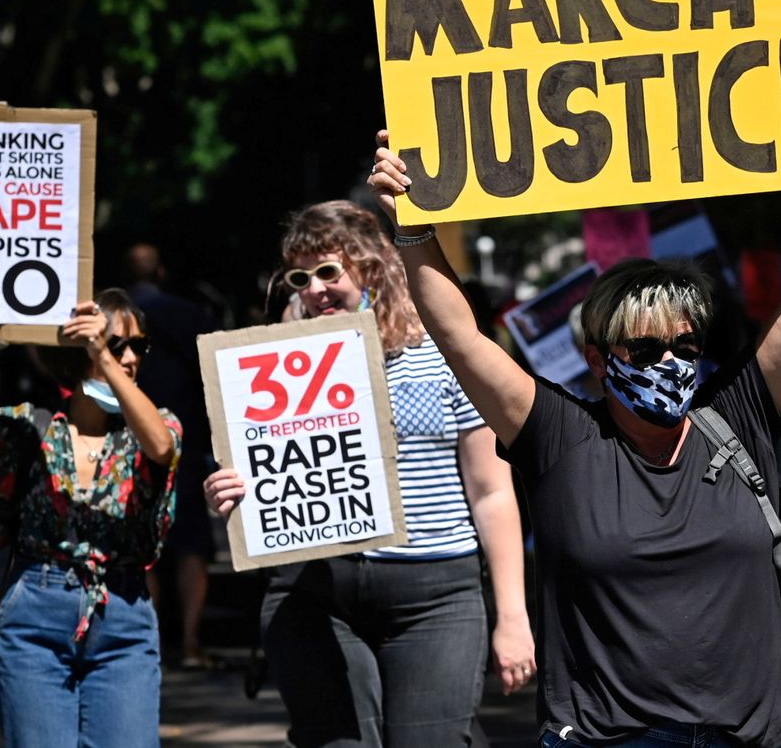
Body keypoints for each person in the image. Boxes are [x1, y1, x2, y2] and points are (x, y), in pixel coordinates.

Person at [367, 97, 781, 747]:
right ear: (598, 357)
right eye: (644, 349)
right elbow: (460, 334)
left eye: (685, 347)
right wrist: (411, 224)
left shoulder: (737, 417)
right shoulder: (557, 434)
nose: (668, 362)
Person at [202, 200, 534, 747]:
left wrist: (513, 617)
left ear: (372, 269)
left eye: (330, 271)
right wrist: (230, 488)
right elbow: (256, 476)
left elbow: (492, 490)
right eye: (301, 276)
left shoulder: (443, 355)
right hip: (313, 594)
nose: (315, 288)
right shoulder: (268, 370)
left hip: (434, 597)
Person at [0, 290, 181, 747]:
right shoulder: (30, 427)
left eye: (137, 347)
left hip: (124, 621)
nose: (127, 358)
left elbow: (162, 448)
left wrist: (102, 357)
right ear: (73, 351)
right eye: (115, 345)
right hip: (36, 617)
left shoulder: (156, 424)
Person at [124, 241, 223, 667]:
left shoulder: (113, 320)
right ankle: (190, 643)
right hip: (183, 440)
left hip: (128, 440)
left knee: (143, 548)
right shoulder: (188, 314)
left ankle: (149, 645)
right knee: (190, 547)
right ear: (161, 271)